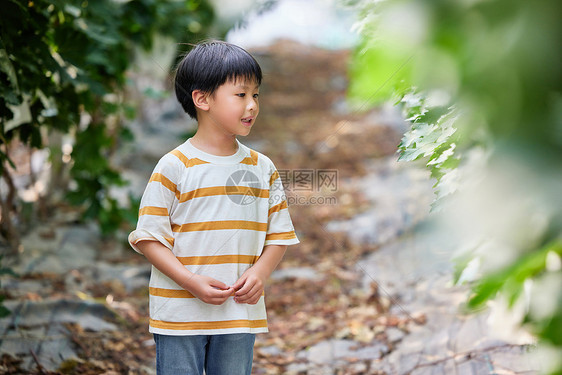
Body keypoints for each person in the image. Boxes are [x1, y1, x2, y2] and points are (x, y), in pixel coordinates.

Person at [128, 40, 299, 375]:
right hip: (178, 314)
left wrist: (259, 274)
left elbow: (279, 235)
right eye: (241, 95)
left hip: (238, 313)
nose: (252, 105)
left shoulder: (261, 168)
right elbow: (149, 238)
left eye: (256, 95)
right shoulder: (174, 166)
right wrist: (190, 281)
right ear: (202, 99)